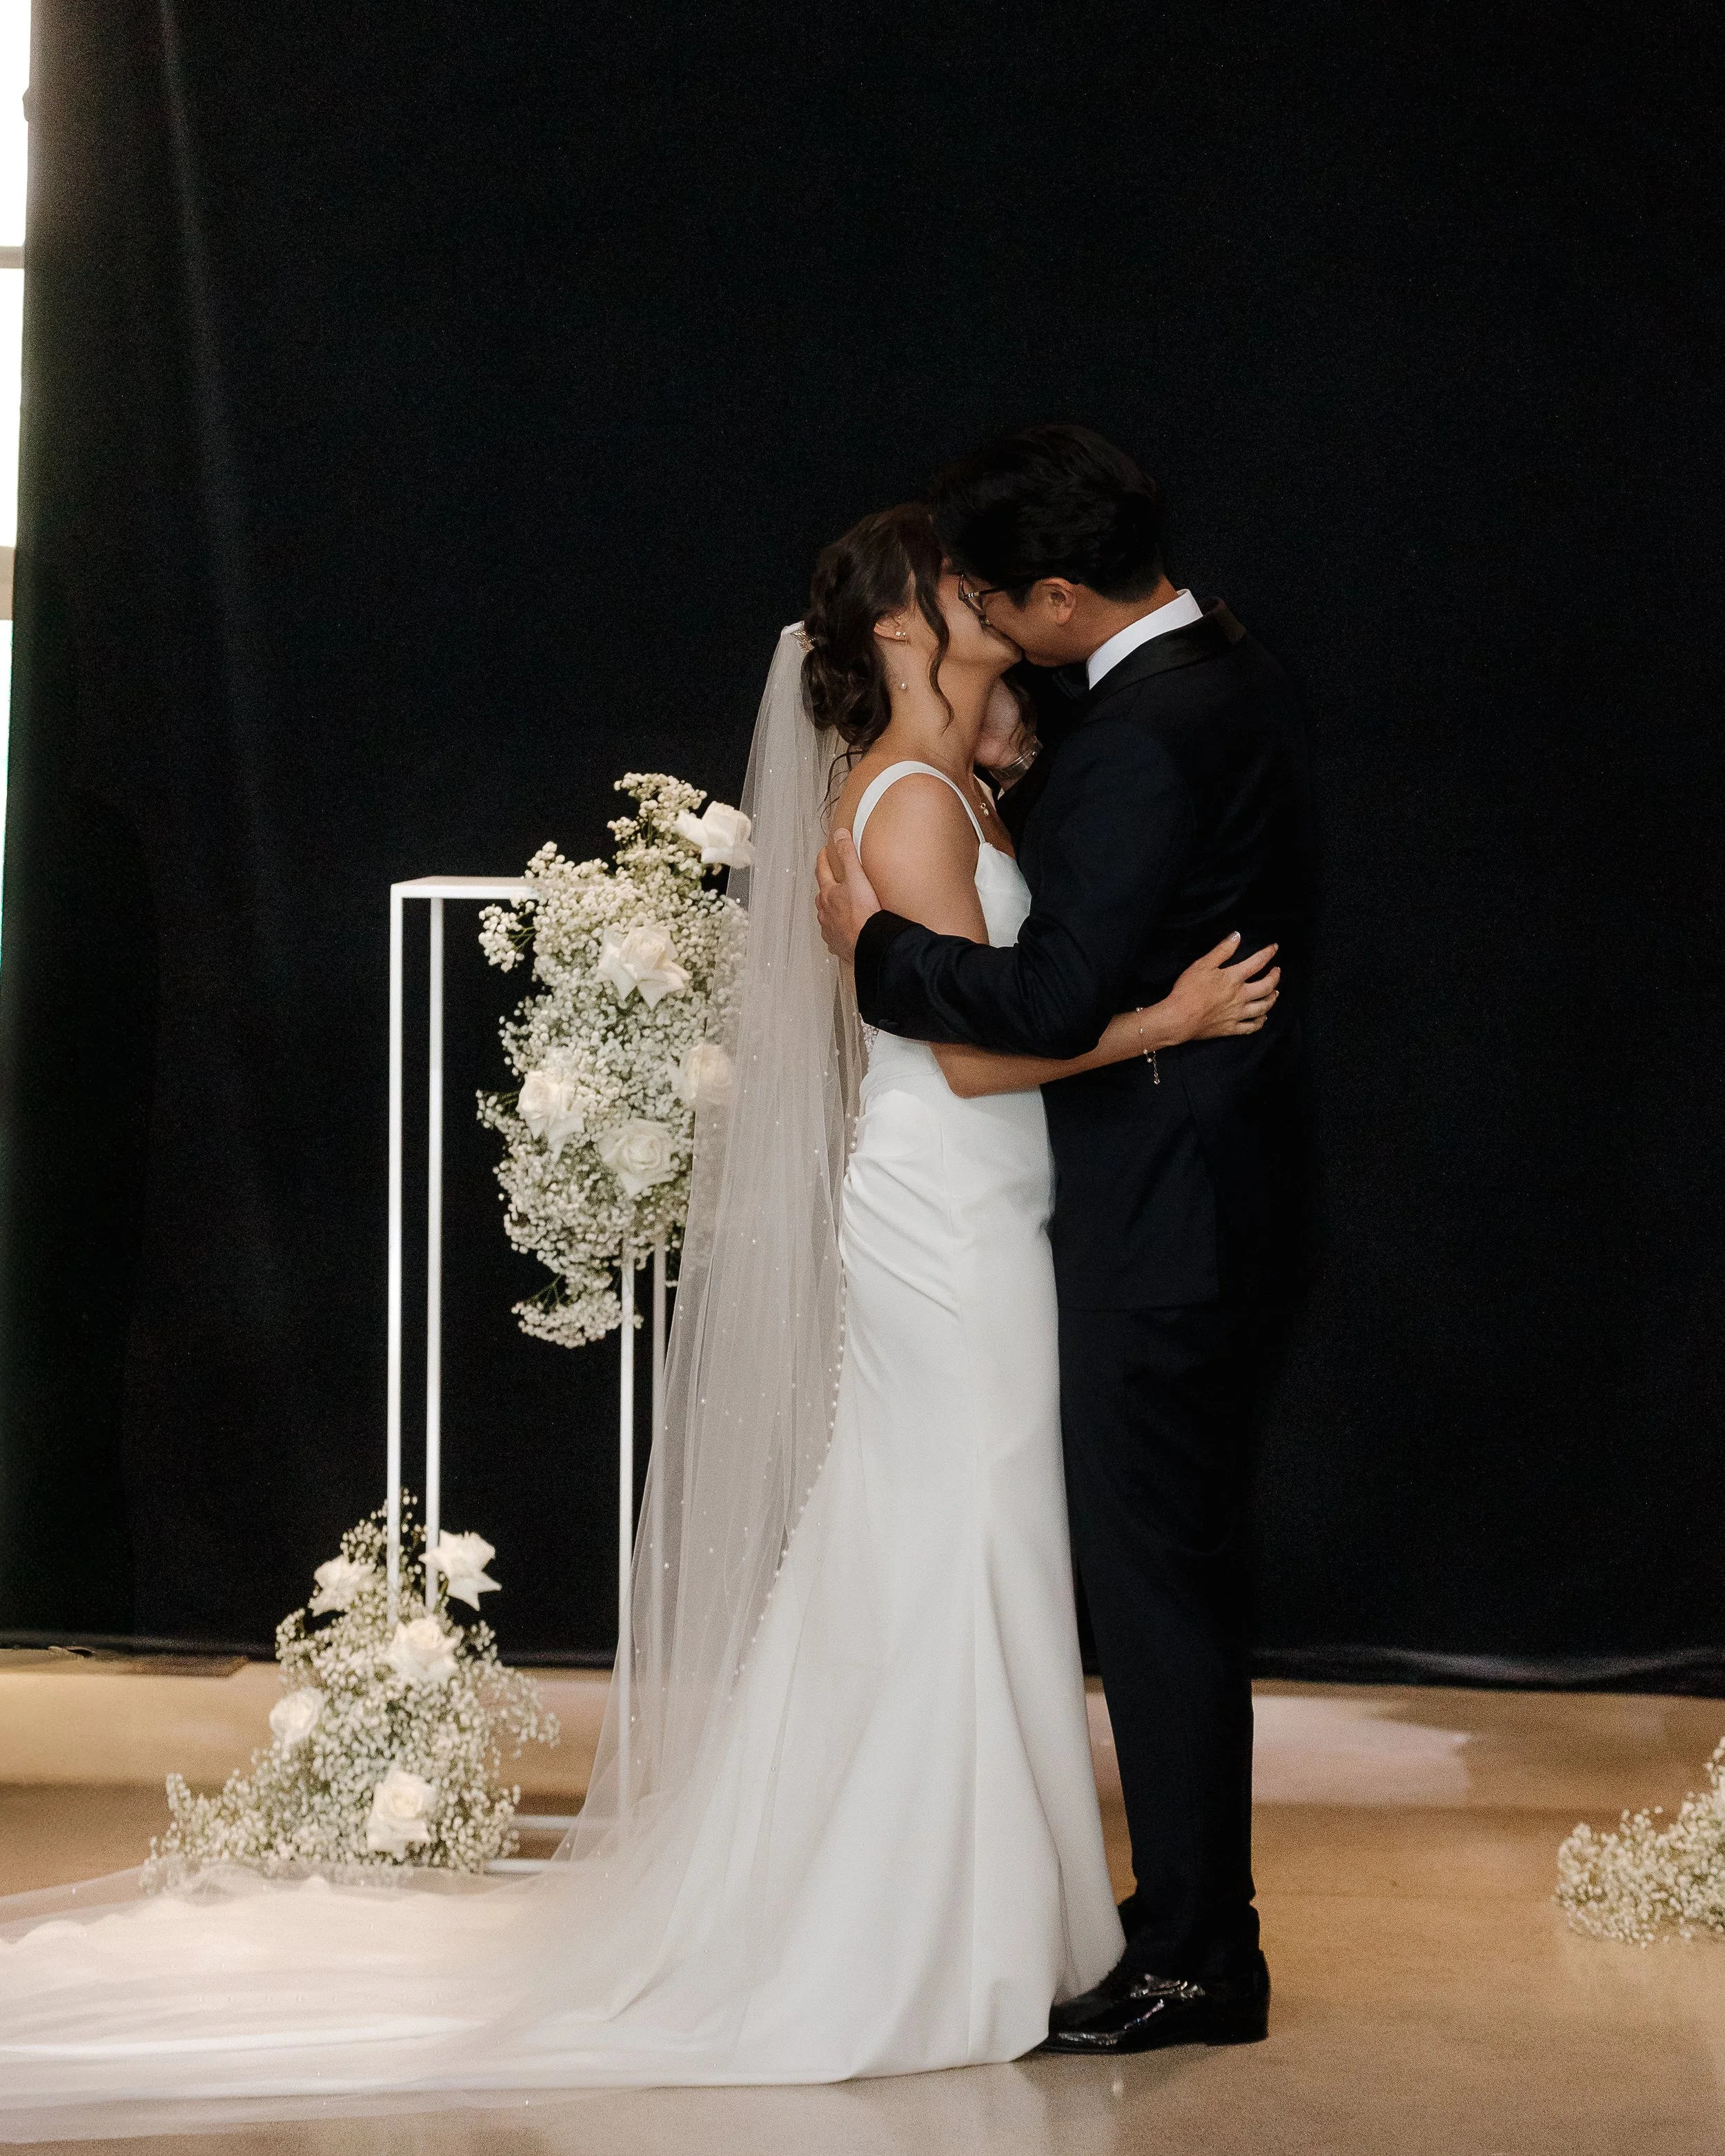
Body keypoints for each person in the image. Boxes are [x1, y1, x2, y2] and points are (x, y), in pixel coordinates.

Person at [0, 500, 1276, 2142]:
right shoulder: (904, 806)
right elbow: (967, 1054)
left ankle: (981, 1911)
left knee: (968, 1541)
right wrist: (1160, 1019)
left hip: (986, 1208)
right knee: (954, 1537)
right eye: (955, 587)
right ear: (897, 625)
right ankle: (905, 1928)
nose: (981, 598)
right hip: (948, 1210)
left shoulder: (957, 785)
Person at [818, 425, 1316, 2053]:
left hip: (1145, 1207)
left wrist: (875, 949)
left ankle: (1190, 1954)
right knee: (1080, 1561)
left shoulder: (1131, 739)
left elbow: (1025, 1004)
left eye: (988, 587)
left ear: (1051, 593)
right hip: (1076, 1195)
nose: (970, 604)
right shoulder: (1209, 670)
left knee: (1144, 1581)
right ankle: (1114, 1921)